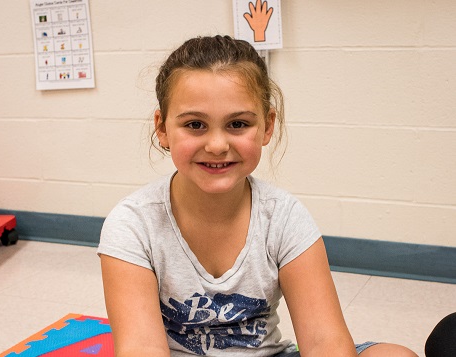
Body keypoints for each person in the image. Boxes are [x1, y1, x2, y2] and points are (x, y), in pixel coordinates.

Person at [98, 35, 418, 357]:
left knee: (395, 354)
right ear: (163, 128)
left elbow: (325, 341)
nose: (217, 145)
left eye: (237, 124)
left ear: (266, 126)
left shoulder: (284, 216)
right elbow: (141, 348)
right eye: (195, 125)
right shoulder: (132, 224)